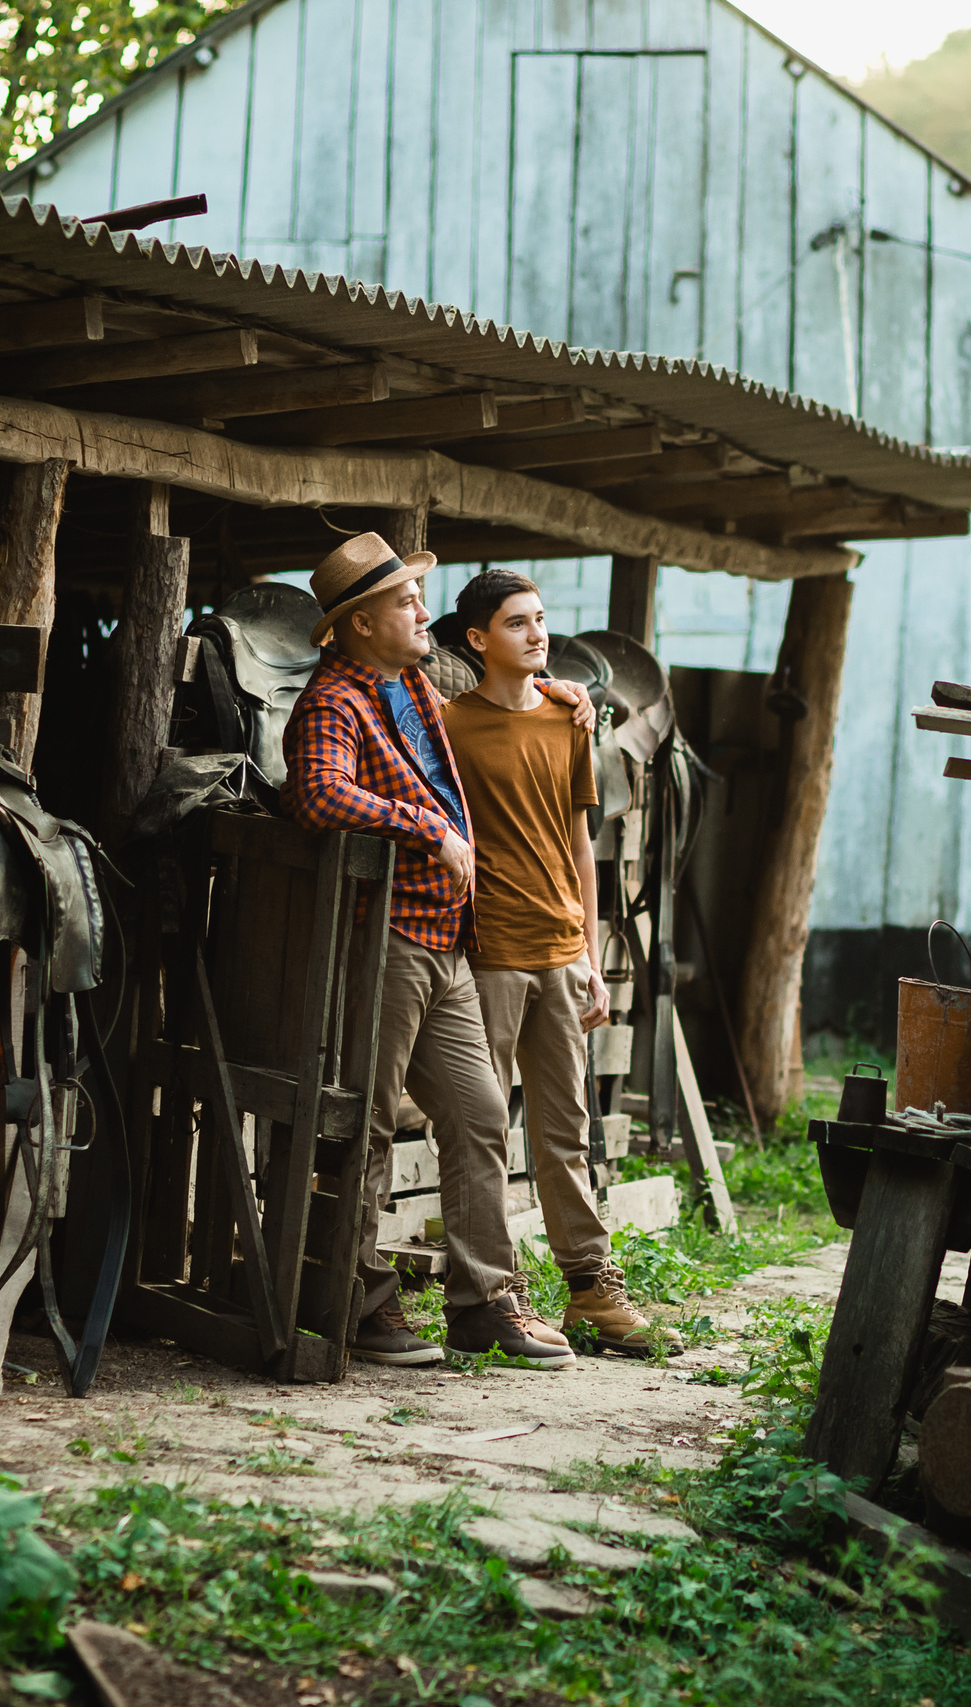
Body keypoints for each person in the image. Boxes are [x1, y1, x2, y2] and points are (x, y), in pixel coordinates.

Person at [280, 533, 592, 1370]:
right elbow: (315, 793)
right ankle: (356, 1302)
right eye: (408, 604)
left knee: (481, 1114)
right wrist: (425, 826)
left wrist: (557, 687)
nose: (426, 613)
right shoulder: (333, 702)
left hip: (442, 940)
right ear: (359, 623)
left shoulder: (414, 680)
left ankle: (483, 1304)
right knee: (369, 1123)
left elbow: (499, 689)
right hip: (379, 940)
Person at [441, 570, 682, 1356]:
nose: (537, 634)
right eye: (518, 623)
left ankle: (591, 1290)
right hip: (488, 954)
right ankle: (488, 1295)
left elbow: (582, 842)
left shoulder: (568, 719)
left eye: (541, 620)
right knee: (480, 1129)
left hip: (558, 948)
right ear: (479, 640)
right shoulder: (450, 725)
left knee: (566, 1130)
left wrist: (586, 949)